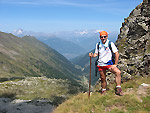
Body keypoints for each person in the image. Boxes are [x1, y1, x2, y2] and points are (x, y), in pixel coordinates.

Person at [89, 31, 123, 96]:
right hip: (101, 64)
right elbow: (96, 54)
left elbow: (116, 53)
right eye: (102, 37)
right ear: (100, 37)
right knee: (103, 78)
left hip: (108, 64)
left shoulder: (110, 43)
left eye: (105, 36)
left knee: (118, 72)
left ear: (107, 37)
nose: (103, 38)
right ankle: (103, 90)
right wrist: (92, 55)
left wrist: (115, 64)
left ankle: (118, 88)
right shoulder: (98, 44)